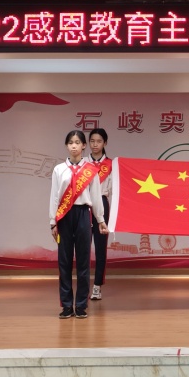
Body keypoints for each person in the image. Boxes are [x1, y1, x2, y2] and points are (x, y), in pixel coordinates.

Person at [49, 130, 108, 319]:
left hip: (83, 215)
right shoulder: (59, 169)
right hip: (64, 216)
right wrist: (53, 222)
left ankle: (81, 304)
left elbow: (96, 196)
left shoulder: (91, 170)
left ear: (84, 146)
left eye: (77, 142)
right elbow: (55, 196)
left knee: (83, 261)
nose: (73, 146)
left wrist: (100, 220)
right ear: (67, 146)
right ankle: (67, 305)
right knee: (64, 261)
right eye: (70, 143)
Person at [88, 128, 112, 302]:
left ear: (105, 143)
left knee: (100, 246)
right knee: (82, 246)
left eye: (99, 141)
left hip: (102, 203)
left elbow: (114, 190)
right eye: (92, 141)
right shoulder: (82, 163)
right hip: (84, 205)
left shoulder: (111, 165)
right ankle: (83, 284)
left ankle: (97, 286)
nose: (95, 144)